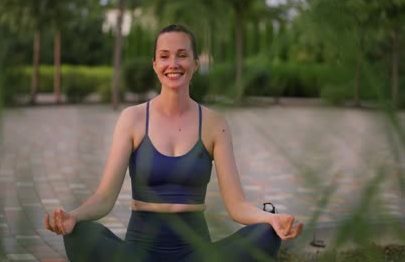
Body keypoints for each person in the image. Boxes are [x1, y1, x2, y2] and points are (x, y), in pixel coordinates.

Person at [45, 24, 303, 262]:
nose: (173, 63)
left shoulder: (215, 123)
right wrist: (74, 216)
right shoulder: (132, 119)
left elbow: (237, 206)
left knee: (266, 235)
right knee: (79, 234)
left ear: (195, 63)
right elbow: (104, 198)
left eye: (182, 55)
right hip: (138, 255)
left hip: (197, 256)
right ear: (155, 63)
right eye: (165, 56)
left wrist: (272, 219)